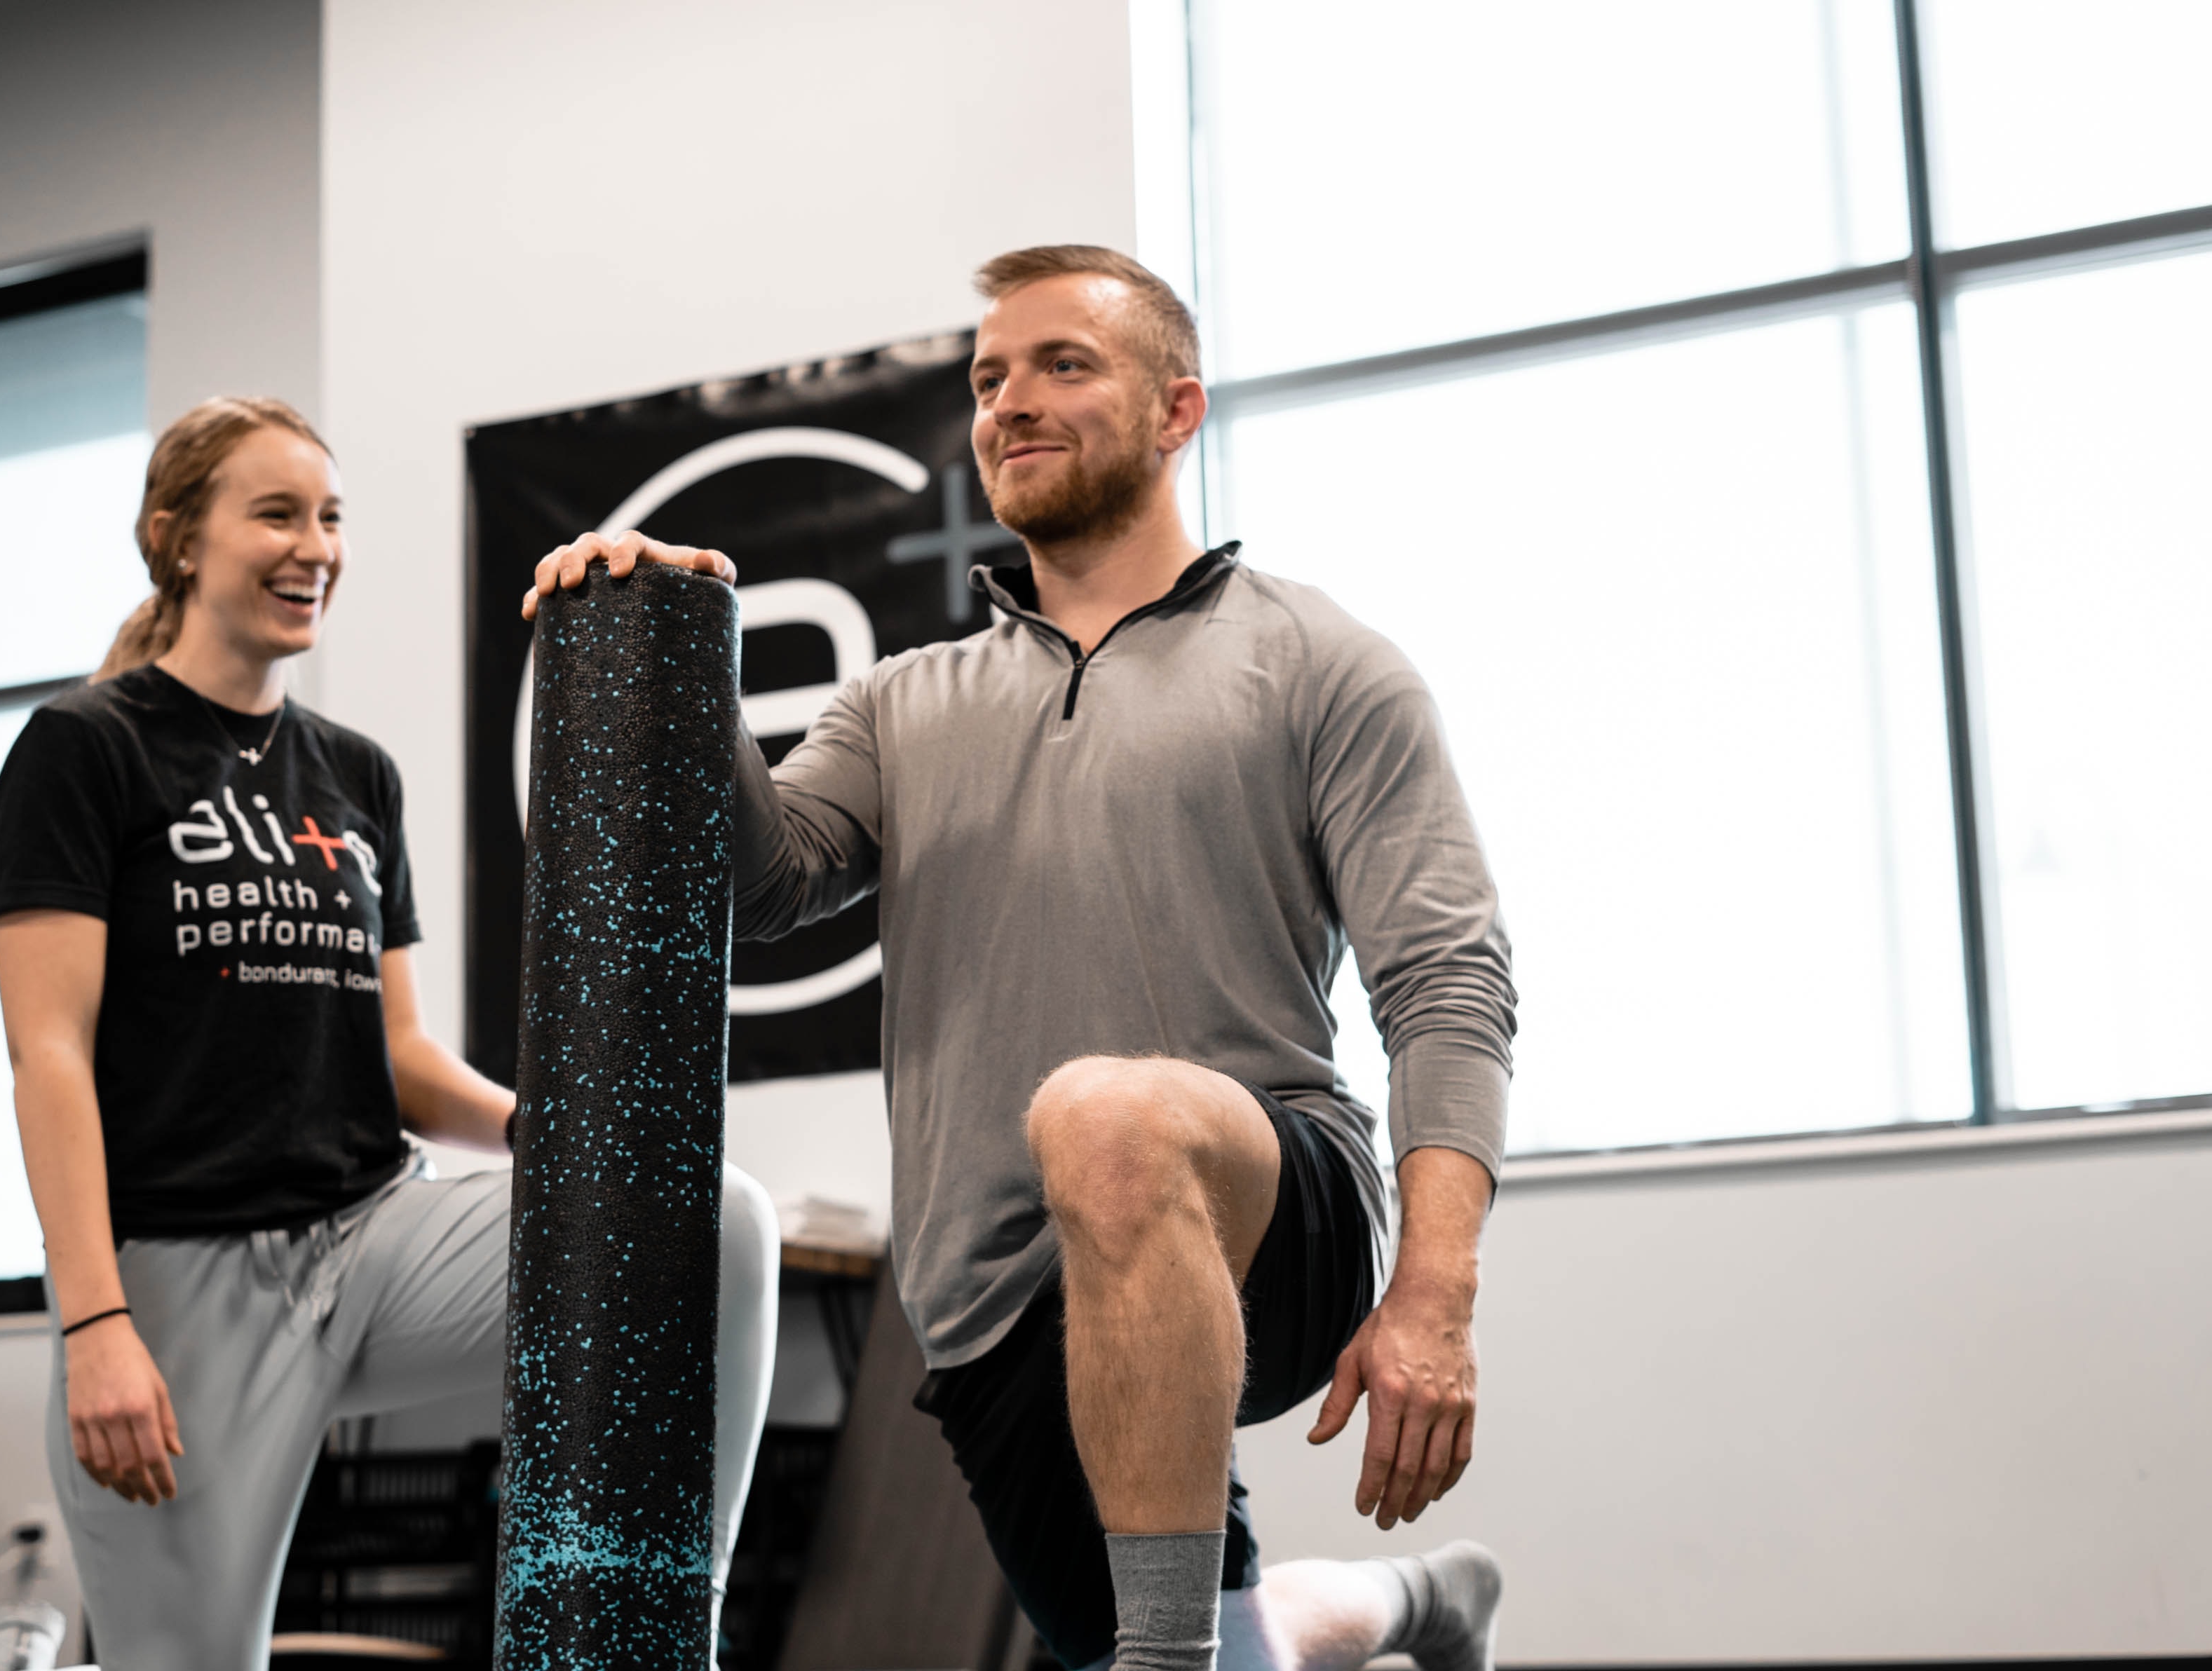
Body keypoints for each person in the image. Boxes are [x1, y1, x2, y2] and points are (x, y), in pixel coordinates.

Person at [524, 247, 1516, 1671]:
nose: (1007, 402)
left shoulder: (1315, 662)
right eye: (988, 377)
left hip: (1268, 1202)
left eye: (1063, 364)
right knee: (1229, 1643)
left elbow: (1446, 981)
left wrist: (1434, 1293)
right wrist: (672, 655)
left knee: (1109, 1118)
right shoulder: (903, 701)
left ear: (1177, 411)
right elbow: (765, 885)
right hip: (992, 1289)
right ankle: (1418, 1598)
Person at [0, 396, 779, 1671]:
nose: (316, 546)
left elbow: (399, 1058)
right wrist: (94, 1327)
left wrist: (555, 1137)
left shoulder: (354, 774)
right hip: (183, 1282)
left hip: (371, 1238)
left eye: (333, 517)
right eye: (277, 514)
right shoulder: (85, 750)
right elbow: (50, 1055)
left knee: (709, 1213)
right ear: (178, 539)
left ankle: (665, 1624)